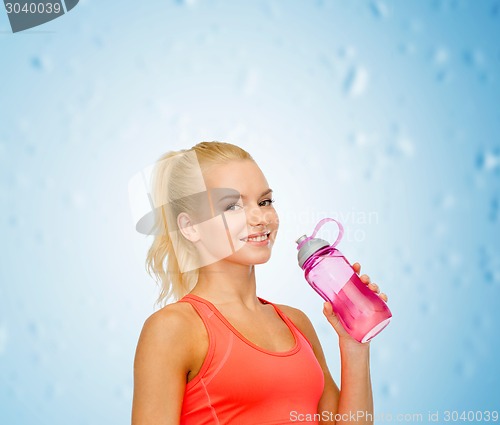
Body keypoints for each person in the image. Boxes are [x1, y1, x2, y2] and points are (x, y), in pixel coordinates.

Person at [131, 141, 388, 425]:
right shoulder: (173, 329)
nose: (260, 217)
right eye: (231, 206)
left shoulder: (295, 322)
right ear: (190, 227)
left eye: (264, 201)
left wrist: (354, 346)